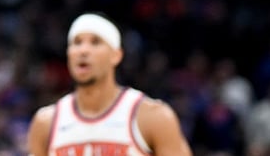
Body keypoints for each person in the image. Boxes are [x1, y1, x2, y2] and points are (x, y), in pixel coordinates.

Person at [26, 13, 193, 156]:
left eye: (95, 42)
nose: (83, 50)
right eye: (76, 42)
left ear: (116, 55)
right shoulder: (46, 123)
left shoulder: (153, 117)